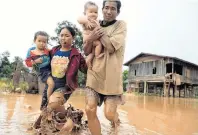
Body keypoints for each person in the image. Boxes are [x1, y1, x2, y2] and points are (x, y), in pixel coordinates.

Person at [83, 0, 127, 134]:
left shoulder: (121, 25)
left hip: (112, 79)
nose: (108, 11)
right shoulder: (93, 24)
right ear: (102, 9)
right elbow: (86, 50)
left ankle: (116, 120)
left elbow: (110, 47)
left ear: (118, 12)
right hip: (94, 74)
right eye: (106, 8)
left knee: (109, 114)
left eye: (113, 9)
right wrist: (91, 38)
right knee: (90, 109)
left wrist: (97, 32)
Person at [40, 26, 87, 110]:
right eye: (61, 35)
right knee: (44, 111)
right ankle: (63, 117)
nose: (63, 38)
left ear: (73, 38)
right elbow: (44, 66)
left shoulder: (77, 55)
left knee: (53, 103)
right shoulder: (53, 51)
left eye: (66, 35)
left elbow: (85, 69)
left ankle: (67, 117)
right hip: (50, 85)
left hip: (65, 87)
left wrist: (91, 58)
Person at [25, 31, 54, 100]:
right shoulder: (31, 51)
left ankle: (45, 103)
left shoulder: (47, 50)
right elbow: (28, 63)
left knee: (51, 86)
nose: (42, 43)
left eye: (44, 42)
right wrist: (35, 61)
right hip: (42, 71)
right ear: (35, 41)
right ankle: (49, 101)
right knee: (51, 84)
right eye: (39, 41)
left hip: (52, 70)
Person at [77, 1, 104, 69]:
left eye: (95, 12)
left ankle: (88, 60)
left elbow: (99, 27)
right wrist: (86, 21)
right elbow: (79, 19)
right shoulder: (86, 19)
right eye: (91, 12)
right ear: (85, 13)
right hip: (87, 39)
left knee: (92, 52)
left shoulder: (97, 21)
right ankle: (97, 55)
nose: (93, 14)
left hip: (93, 41)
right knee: (98, 44)